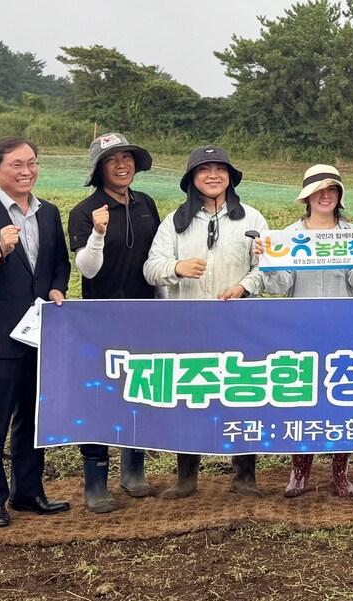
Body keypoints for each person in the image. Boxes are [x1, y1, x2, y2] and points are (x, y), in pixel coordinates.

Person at [143, 145, 269, 499]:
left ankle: (244, 475)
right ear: (191, 180)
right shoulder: (173, 222)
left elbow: (267, 268)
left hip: (239, 323)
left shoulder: (253, 220)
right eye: (204, 170)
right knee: (191, 395)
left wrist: (244, 286)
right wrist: (175, 268)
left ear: (230, 176)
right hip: (188, 324)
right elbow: (151, 268)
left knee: (243, 395)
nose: (213, 175)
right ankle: (186, 476)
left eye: (220, 169)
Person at [0, 137, 72, 527]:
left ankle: (29, 491)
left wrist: (58, 286)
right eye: (17, 165)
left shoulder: (49, 212)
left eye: (33, 163)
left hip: (41, 332)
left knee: (33, 415)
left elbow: (59, 262)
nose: (27, 172)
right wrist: (0, 252)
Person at [268, 164, 353, 498]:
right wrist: (266, 262)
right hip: (300, 330)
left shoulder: (352, 235)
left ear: (339, 196)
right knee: (302, 399)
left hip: (342, 329)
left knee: (342, 398)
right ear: (307, 197)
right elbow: (280, 287)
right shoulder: (289, 236)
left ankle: (340, 472)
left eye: (332, 190)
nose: (325, 196)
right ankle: (300, 471)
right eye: (318, 191)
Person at [66, 133, 162, 513]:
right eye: (112, 160)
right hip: (100, 317)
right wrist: (98, 233)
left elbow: (155, 256)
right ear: (98, 169)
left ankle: (133, 470)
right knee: (99, 395)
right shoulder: (85, 210)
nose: (122, 165)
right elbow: (87, 269)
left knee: (138, 388)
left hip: (143, 315)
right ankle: (95, 480)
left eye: (128, 157)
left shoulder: (146, 204)